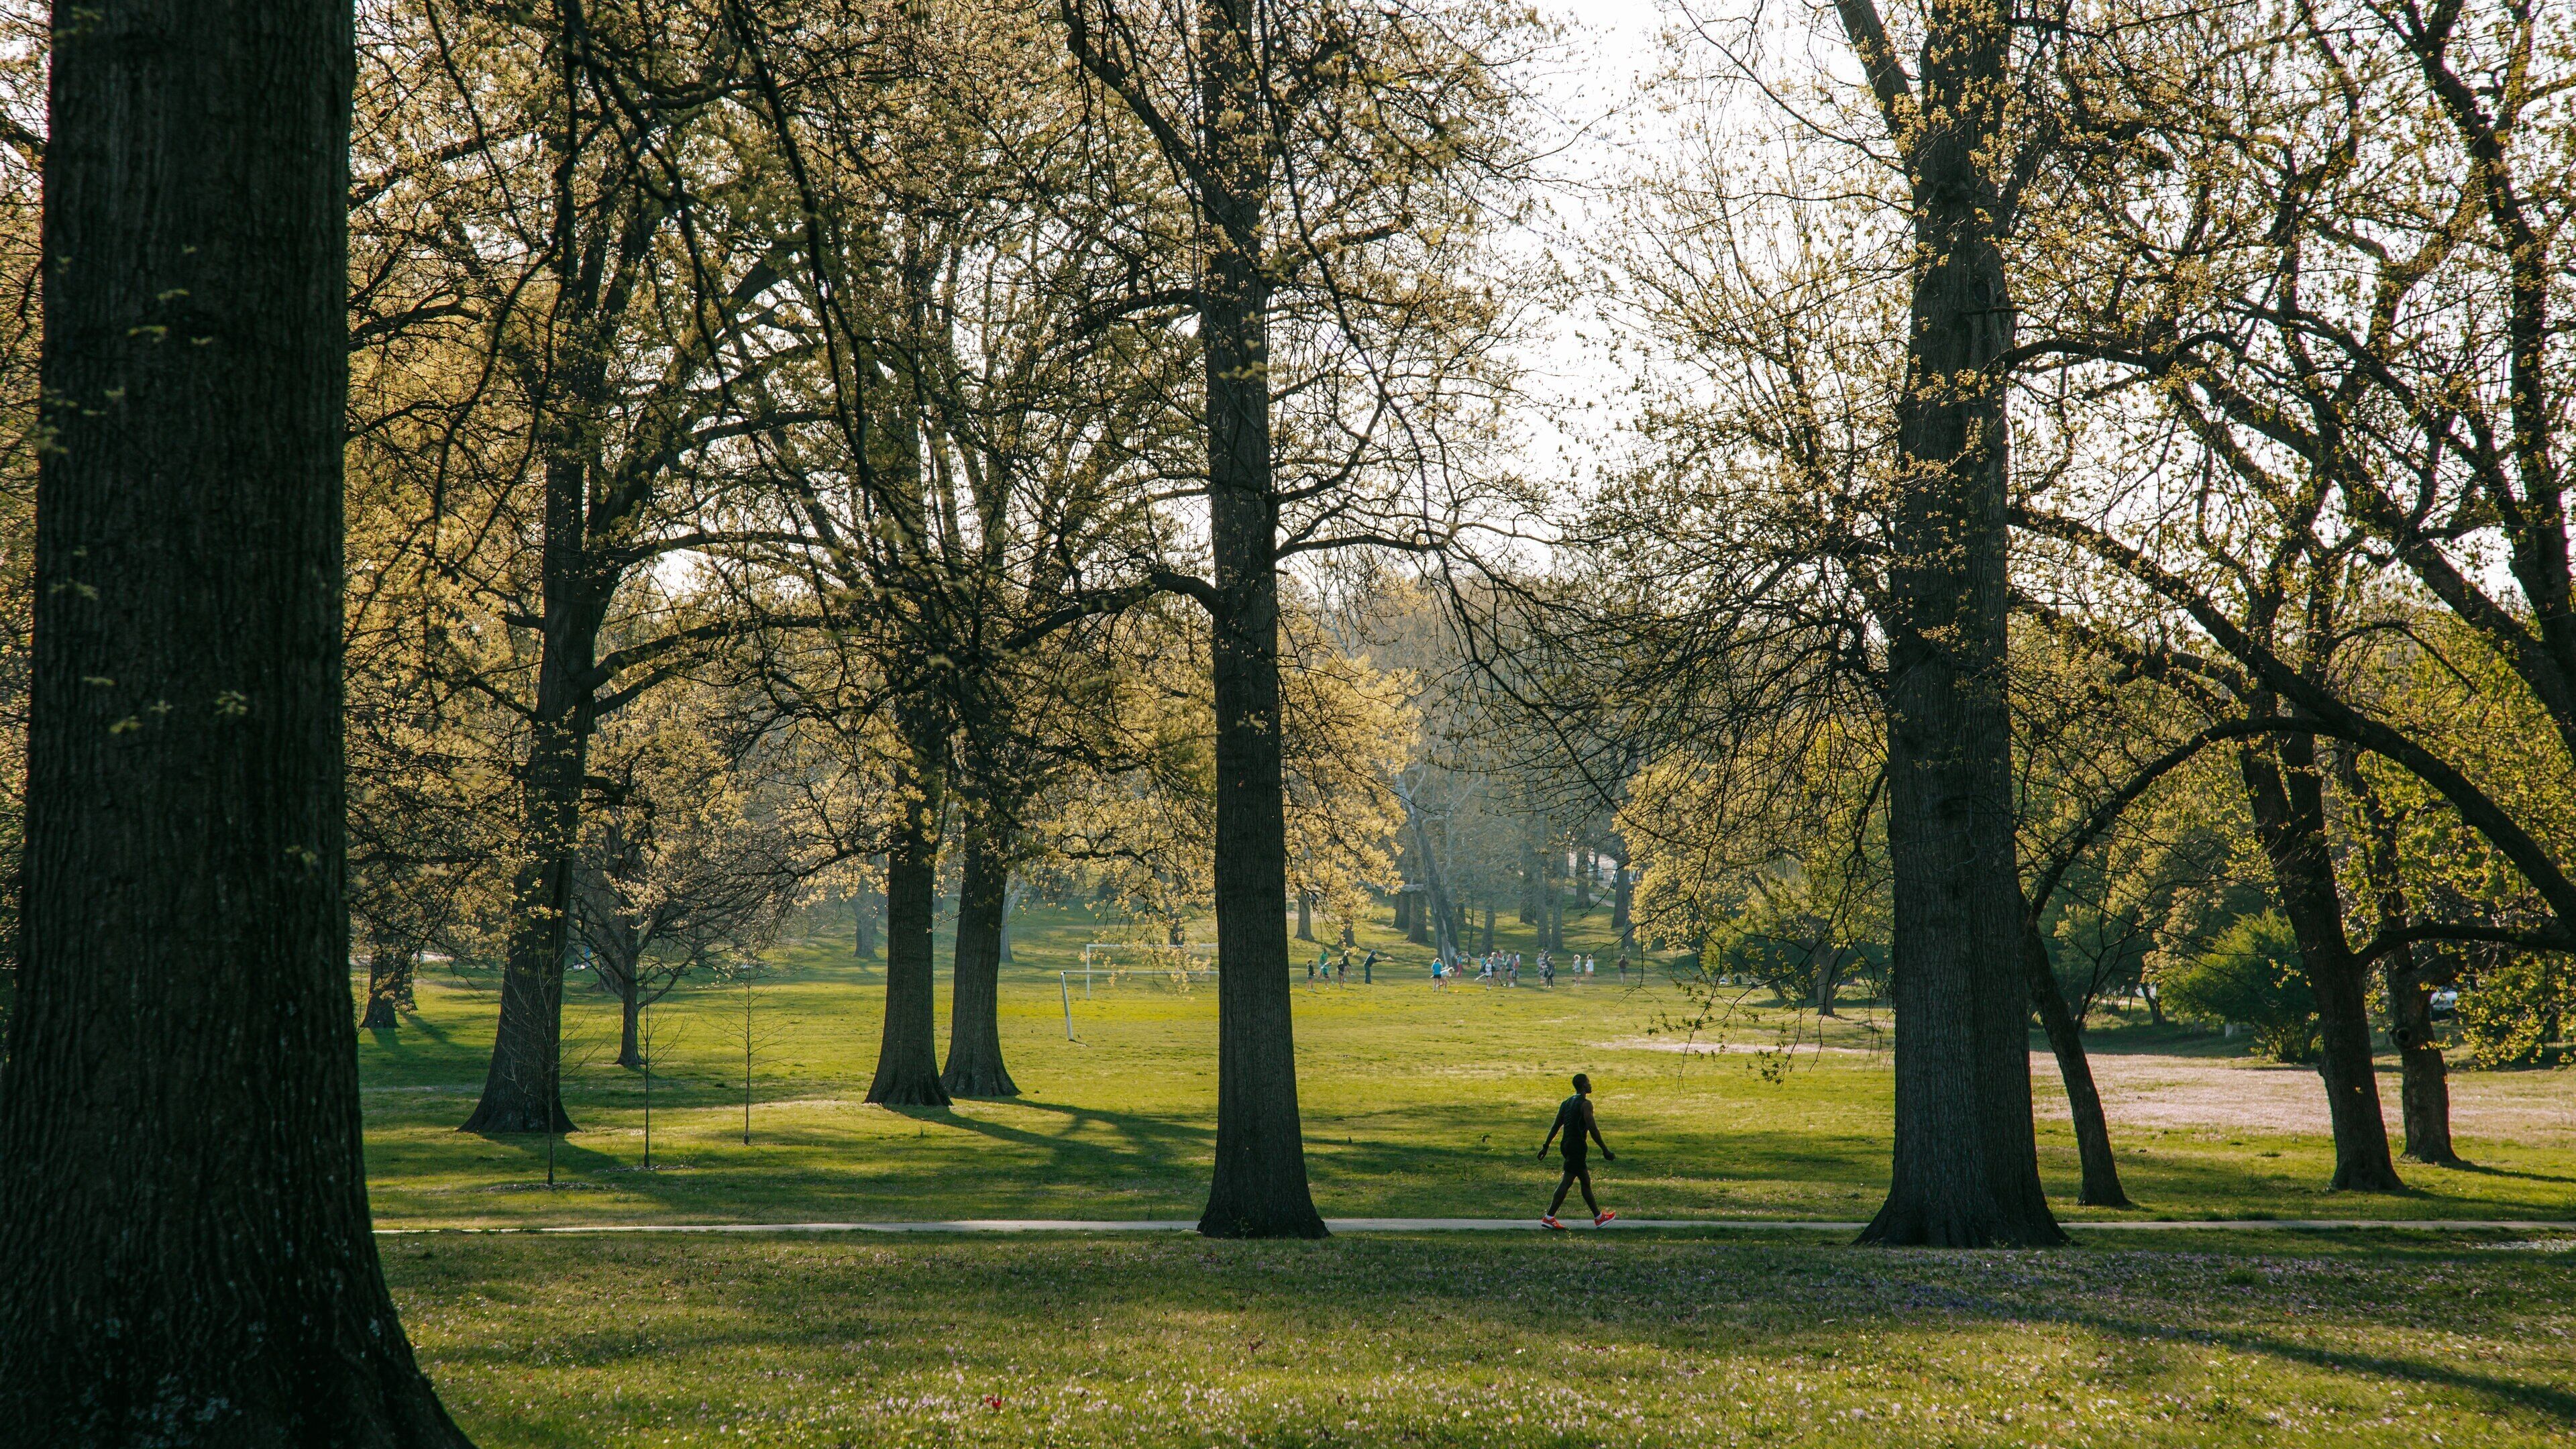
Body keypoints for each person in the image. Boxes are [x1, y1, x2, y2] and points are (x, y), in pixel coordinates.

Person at [1538, 1072, 1616, 1230]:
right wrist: (1605, 1150)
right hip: (1577, 1146)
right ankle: (1549, 1217)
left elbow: (1556, 1125)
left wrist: (1546, 1146)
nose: (1590, 1085)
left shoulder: (1566, 1103)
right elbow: (1593, 1129)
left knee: (1585, 1181)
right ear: (1583, 1086)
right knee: (1567, 1181)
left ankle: (1599, 1217)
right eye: (1588, 1082)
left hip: (1566, 1145)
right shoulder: (1586, 1104)